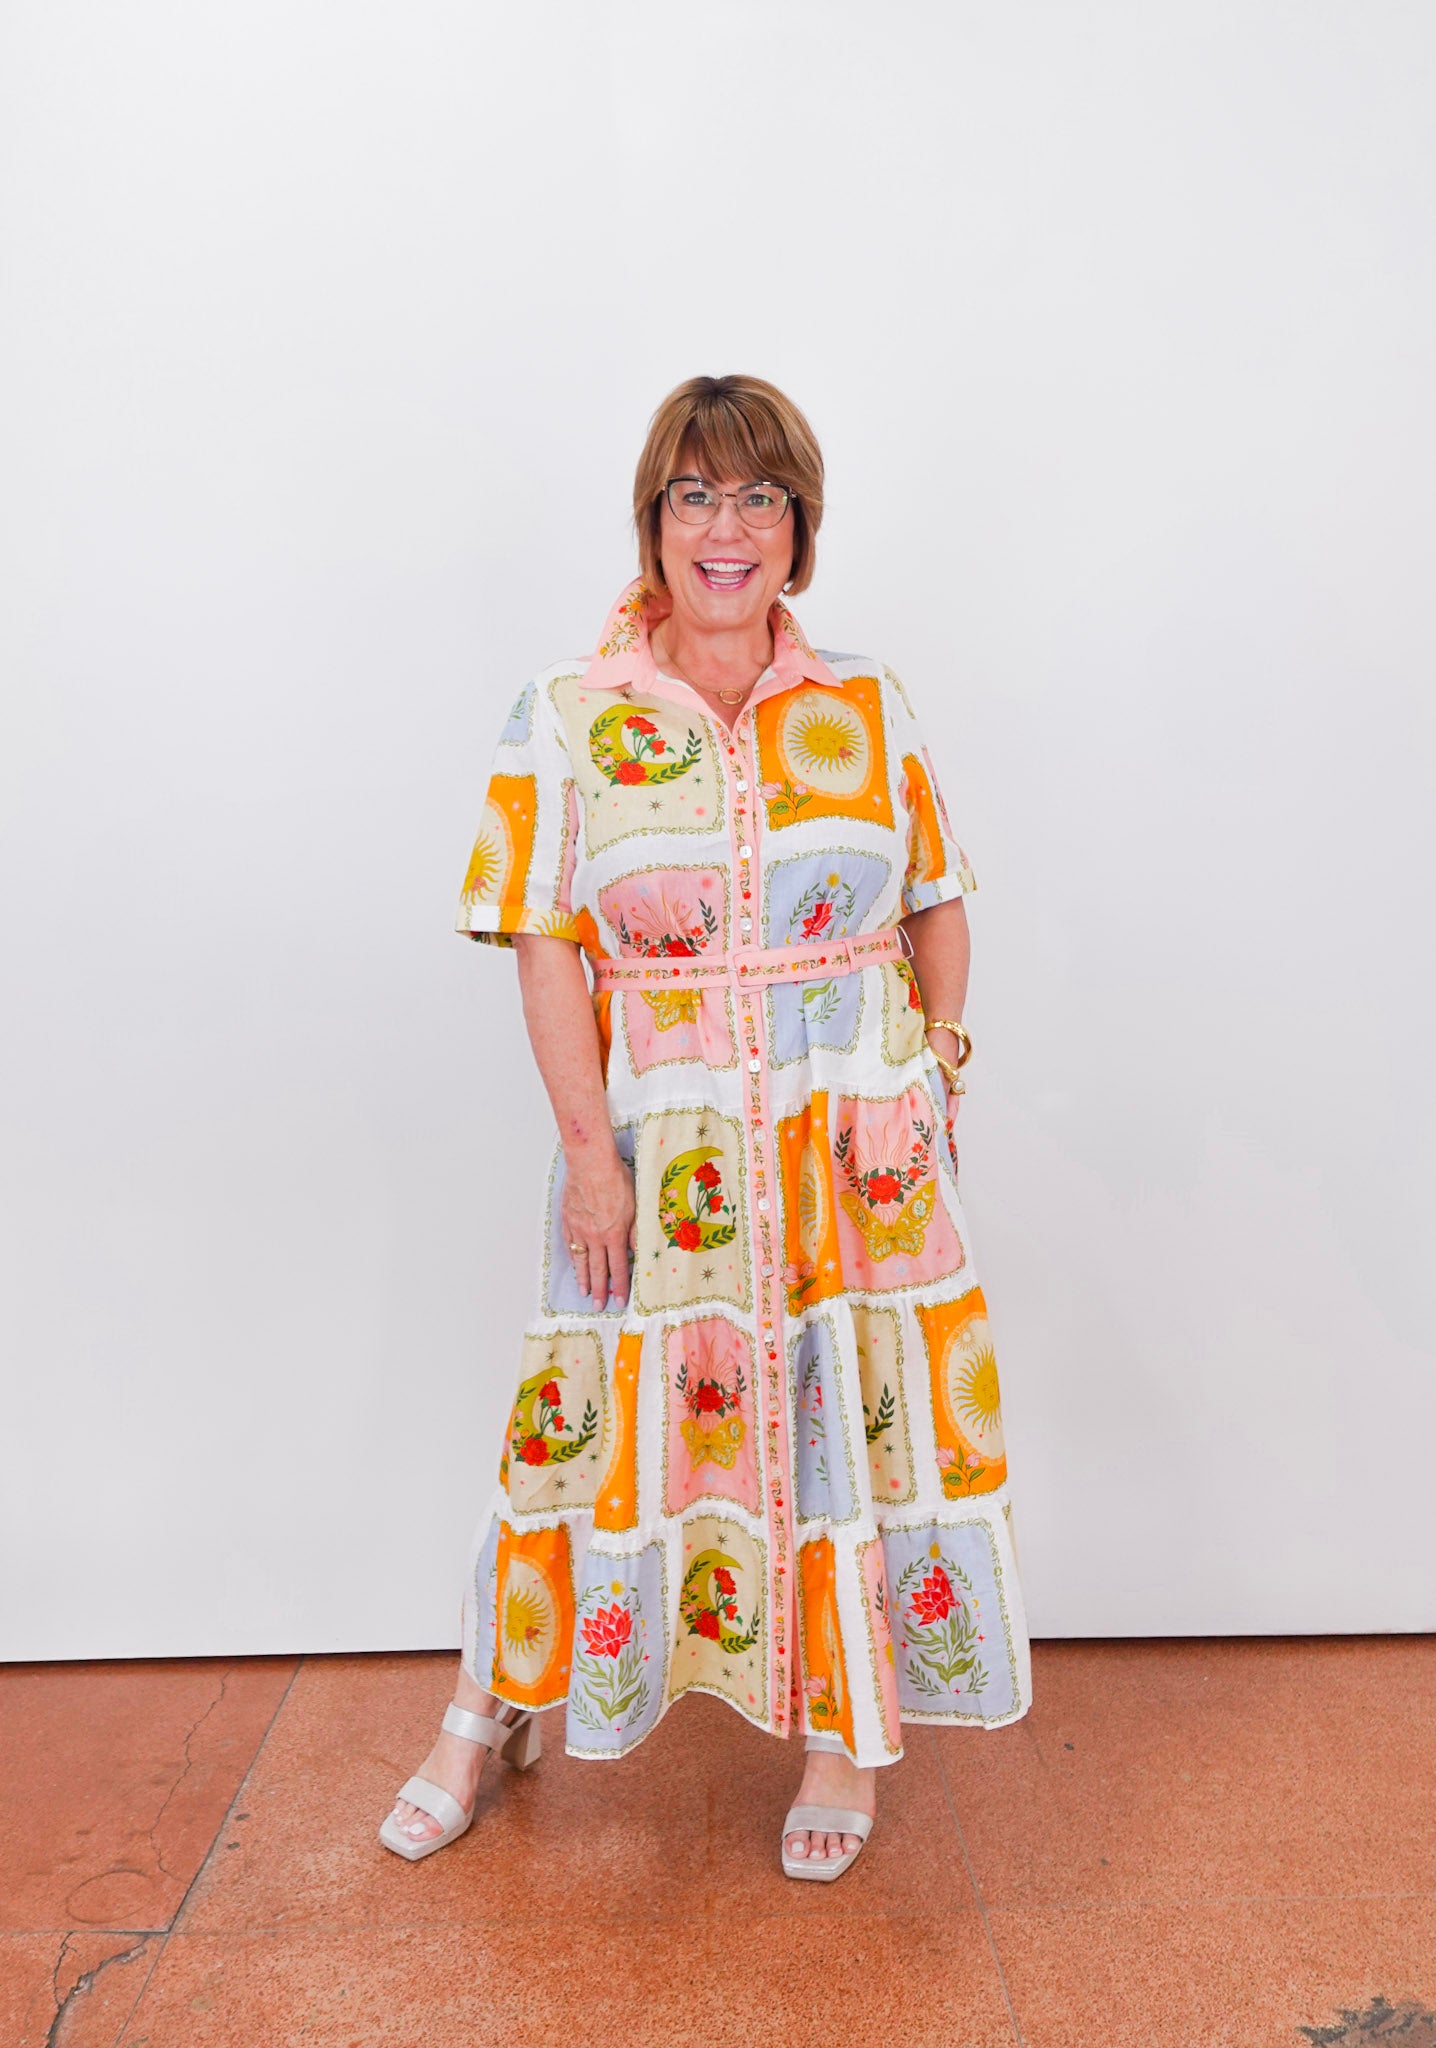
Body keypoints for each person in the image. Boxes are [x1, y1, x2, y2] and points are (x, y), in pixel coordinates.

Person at [379, 373, 1031, 1879]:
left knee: (841, 1424)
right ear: (653, 521)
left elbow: (933, 898)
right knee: (584, 1426)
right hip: (658, 1152)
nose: (724, 529)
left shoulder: (865, 702)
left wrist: (937, 1063)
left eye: (757, 499)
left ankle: (841, 1737)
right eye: (694, 497)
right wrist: (592, 1161)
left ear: (799, 533)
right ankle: (484, 1715)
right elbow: (548, 943)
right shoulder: (572, 711)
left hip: (850, 1150)